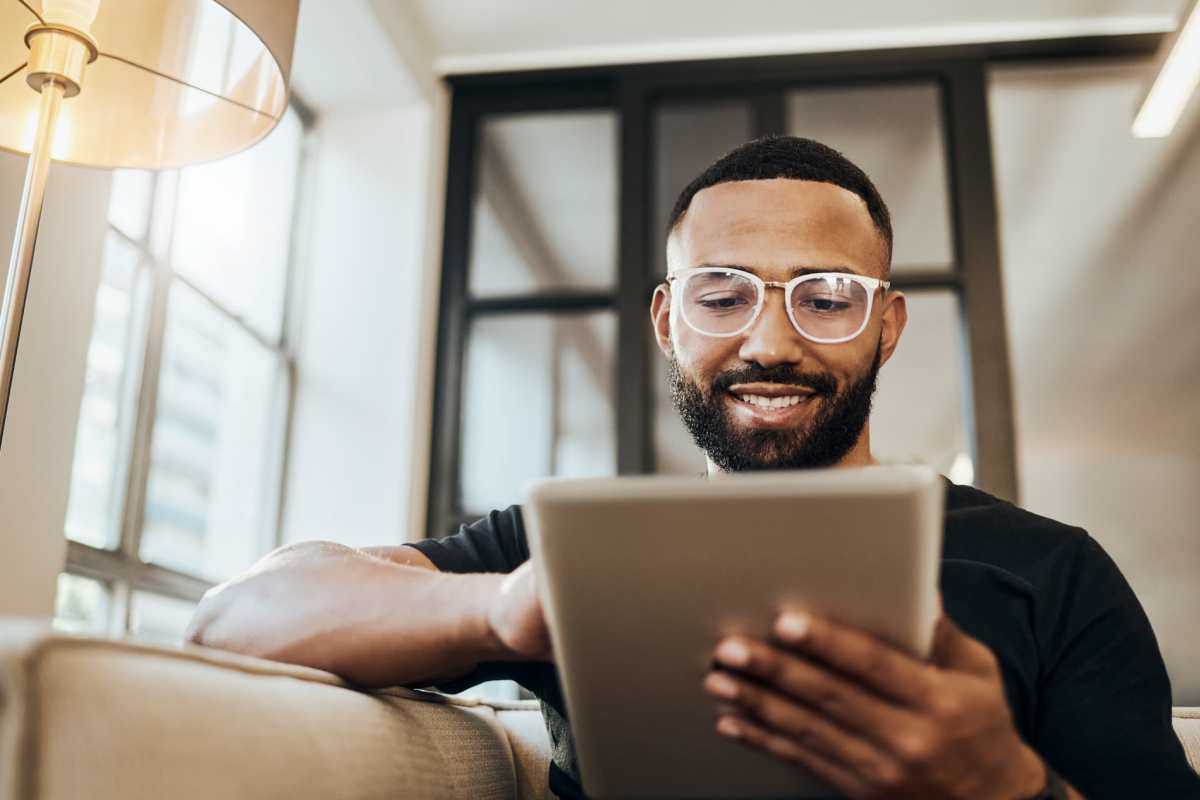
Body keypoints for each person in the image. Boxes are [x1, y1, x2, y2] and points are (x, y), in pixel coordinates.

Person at [187, 136, 1200, 800]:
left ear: (886, 326)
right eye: (723, 294)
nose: (771, 341)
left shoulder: (1053, 571)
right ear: (670, 322)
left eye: (827, 295)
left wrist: (1008, 787)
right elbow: (238, 617)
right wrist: (508, 609)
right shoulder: (566, 550)